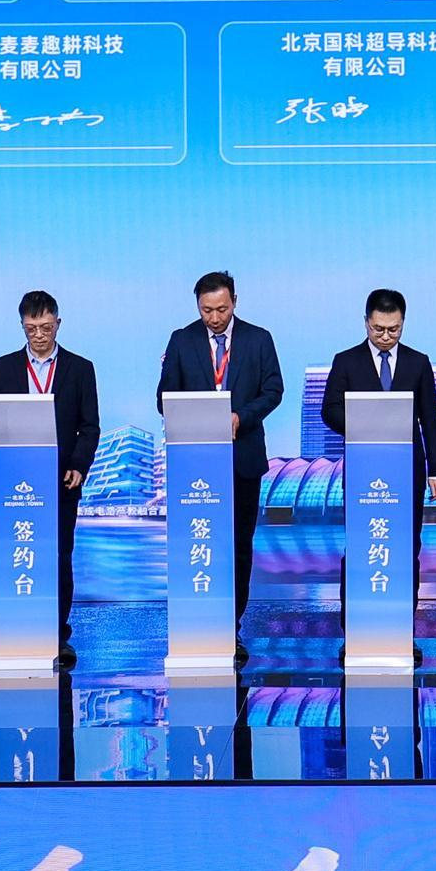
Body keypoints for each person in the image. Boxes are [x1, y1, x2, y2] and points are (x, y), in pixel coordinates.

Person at [154, 271, 284, 648]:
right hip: (196, 464)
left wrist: (241, 417)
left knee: (239, 544)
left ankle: (231, 626)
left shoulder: (259, 339)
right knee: (200, 541)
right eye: (206, 310)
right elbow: (164, 398)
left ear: (235, 302)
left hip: (243, 457)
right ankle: (197, 622)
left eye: (221, 309)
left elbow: (274, 390)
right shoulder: (182, 340)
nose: (214, 318)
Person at [0, 289, 100, 662]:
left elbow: (89, 426)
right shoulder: (4, 367)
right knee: (18, 552)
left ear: (58, 324)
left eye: (46, 327)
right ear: (22, 326)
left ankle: (57, 635)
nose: (39, 335)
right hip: (17, 482)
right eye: (31, 328)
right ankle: (16, 629)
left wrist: (78, 465)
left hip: (61, 480)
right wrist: (2, 423)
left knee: (58, 556)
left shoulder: (80, 368)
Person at [318, 287, 436, 559]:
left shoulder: (418, 362)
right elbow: (329, 410)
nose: (386, 336)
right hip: (362, 466)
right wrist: (365, 424)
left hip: (409, 468)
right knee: (361, 542)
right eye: (378, 329)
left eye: (394, 329)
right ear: (366, 322)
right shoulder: (346, 361)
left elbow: (431, 419)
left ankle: (408, 589)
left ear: (403, 323)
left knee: (408, 543)